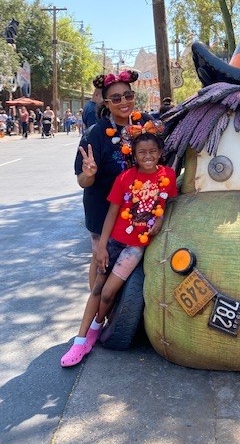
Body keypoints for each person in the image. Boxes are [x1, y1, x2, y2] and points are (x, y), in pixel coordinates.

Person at [61, 121, 177, 367]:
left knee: (108, 293)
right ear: (133, 155)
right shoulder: (125, 177)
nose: (148, 156)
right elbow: (112, 213)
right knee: (97, 289)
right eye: (142, 152)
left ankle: (96, 326)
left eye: (152, 152)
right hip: (114, 240)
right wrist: (101, 246)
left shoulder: (168, 175)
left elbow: (169, 202)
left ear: (160, 153)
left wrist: (161, 218)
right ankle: (80, 341)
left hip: (136, 247)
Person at [75, 70, 153, 289]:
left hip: (139, 209)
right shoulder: (95, 134)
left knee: (135, 264)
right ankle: (95, 308)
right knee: (102, 265)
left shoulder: (146, 124)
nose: (124, 102)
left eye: (128, 96)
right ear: (107, 103)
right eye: (116, 99)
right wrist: (88, 174)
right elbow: (82, 181)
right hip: (102, 209)